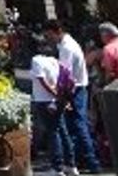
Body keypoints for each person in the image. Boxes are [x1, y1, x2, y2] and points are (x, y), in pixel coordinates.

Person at [44, 19, 102, 174]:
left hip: (74, 90)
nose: (48, 39)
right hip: (78, 88)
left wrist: (59, 97)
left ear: (57, 31)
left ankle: (92, 162)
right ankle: (82, 160)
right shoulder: (68, 44)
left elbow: (65, 75)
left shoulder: (66, 48)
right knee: (76, 125)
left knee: (78, 125)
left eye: (49, 35)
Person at [31, 42, 74, 175]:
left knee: (53, 133)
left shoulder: (37, 60)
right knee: (62, 131)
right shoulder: (56, 62)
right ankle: (70, 165)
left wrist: (54, 94)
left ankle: (57, 168)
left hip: (44, 101)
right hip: (58, 101)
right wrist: (61, 98)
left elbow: (42, 80)